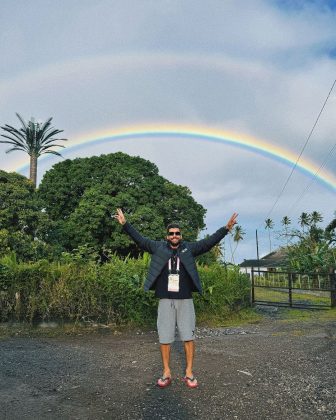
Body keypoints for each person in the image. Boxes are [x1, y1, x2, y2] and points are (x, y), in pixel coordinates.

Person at [114, 208, 238, 389]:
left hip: (185, 299)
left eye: (177, 233)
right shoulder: (158, 248)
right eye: (171, 233)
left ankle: (189, 372)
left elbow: (209, 242)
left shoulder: (189, 248)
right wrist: (125, 224)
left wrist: (226, 229)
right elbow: (140, 240)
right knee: (165, 337)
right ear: (166, 236)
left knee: (188, 336)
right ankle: (166, 372)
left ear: (180, 235)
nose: (174, 236)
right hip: (165, 299)